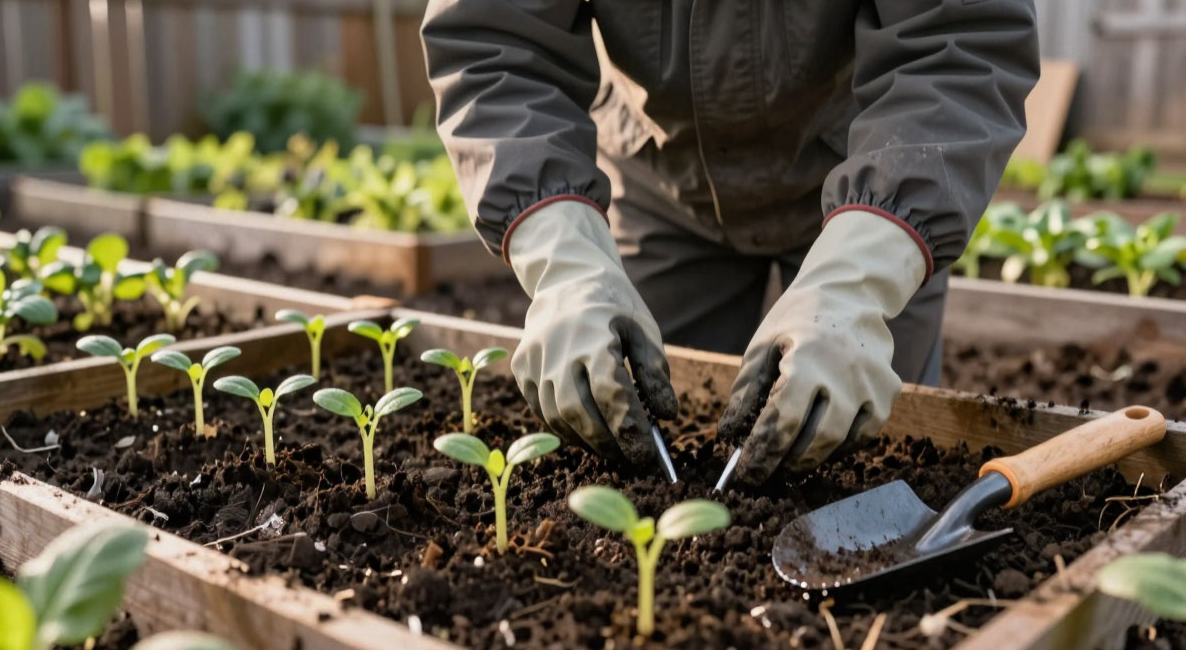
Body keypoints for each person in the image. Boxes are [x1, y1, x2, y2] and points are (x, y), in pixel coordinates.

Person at [421, 0, 1040, 484]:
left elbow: (959, 43)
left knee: (873, 454)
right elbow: (494, 42)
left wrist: (860, 280)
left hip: (877, 181)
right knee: (631, 421)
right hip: (662, 181)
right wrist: (564, 261)